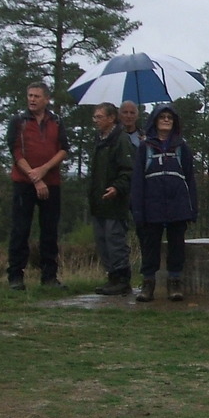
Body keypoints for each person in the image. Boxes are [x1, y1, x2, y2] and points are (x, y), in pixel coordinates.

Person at [131, 103, 198, 302]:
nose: (166, 120)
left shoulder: (182, 147)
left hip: (177, 204)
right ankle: (148, 283)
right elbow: (137, 181)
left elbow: (190, 178)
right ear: (155, 121)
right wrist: (137, 210)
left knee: (177, 245)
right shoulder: (145, 148)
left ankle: (175, 282)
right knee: (150, 245)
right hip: (152, 204)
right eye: (162, 117)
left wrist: (192, 207)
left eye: (170, 117)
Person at [6, 81, 70, 290]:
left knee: (50, 231)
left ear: (46, 99)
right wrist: (35, 177)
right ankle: (16, 276)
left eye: (36, 96)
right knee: (20, 230)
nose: (32, 100)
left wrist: (43, 170)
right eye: (30, 96)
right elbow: (16, 152)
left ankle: (49, 277)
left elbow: (63, 149)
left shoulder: (57, 122)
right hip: (24, 182)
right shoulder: (18, 121)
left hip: (51, 182)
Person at [89, 102, 134, 296]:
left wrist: (117, 187)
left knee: (114, 240)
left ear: (111, 118)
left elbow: (128, 170)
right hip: (99, 201)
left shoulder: (121, 140)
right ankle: (111, 277)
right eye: (95, 117)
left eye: (99, 117)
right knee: (102, 240)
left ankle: (122, 279)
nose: (96, 121)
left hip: (116, 202)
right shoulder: (100, 140)